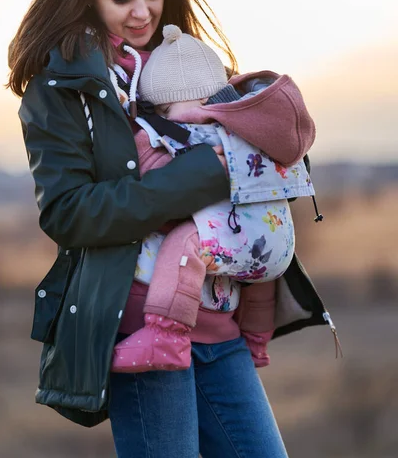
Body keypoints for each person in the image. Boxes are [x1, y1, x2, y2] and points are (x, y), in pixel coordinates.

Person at [8, 0, 335, 458]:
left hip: (220, 317)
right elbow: (69, 213)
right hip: (139, 323)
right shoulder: (60, 87)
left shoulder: (192, 66)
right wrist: (205, 175)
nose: (142, 12)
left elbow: (259, 151)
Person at [110, 24, 317, 374]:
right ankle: (256, 340)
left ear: (161, 104)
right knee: (256, 274)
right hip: (279, 245)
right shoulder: (248, 124)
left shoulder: (159, 133)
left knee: (184, 243)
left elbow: (151, 192)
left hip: (211, 250)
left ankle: (165, 336)